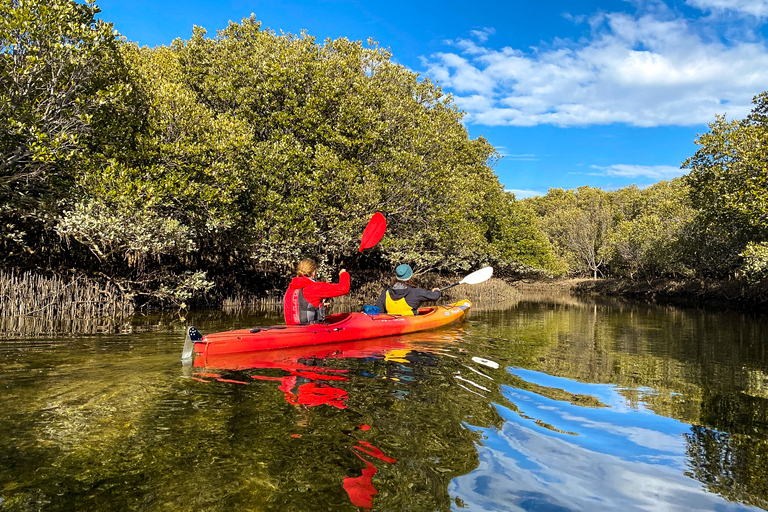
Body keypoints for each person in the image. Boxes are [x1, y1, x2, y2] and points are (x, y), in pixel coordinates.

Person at [284, 258, 350, 325]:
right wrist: (344, 274)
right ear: (314, 272)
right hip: (310, 331)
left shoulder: (290, 289)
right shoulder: (315, 287)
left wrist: (319, 306)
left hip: (291, 330)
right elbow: (344, 288)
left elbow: (300, 307)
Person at [376, 264, 441, 316]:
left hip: (391, 321)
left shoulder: (386, 291)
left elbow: (380, 308)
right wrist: (437, 291)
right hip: (409, 321)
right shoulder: (415, 292)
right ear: (410, 277)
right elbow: (435, 296)